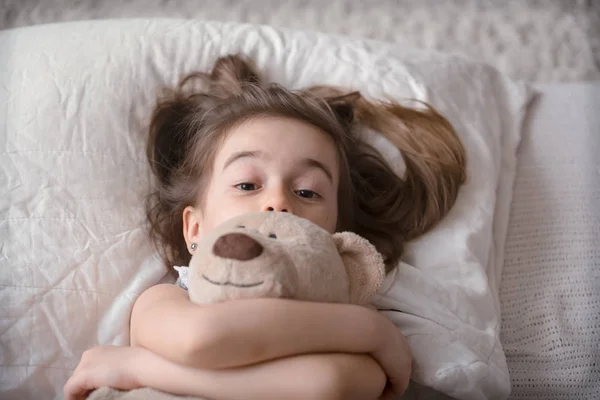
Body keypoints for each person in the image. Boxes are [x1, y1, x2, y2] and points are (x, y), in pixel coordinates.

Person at [64, 54, 466, 400]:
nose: (278, 202)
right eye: (246, 185)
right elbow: (200, 339)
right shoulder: (170, 298)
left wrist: (138, 367)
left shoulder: (342, 308)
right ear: (195, 228)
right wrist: (370, 332)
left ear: (339, 237)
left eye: (308, 192)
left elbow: (328, 386)